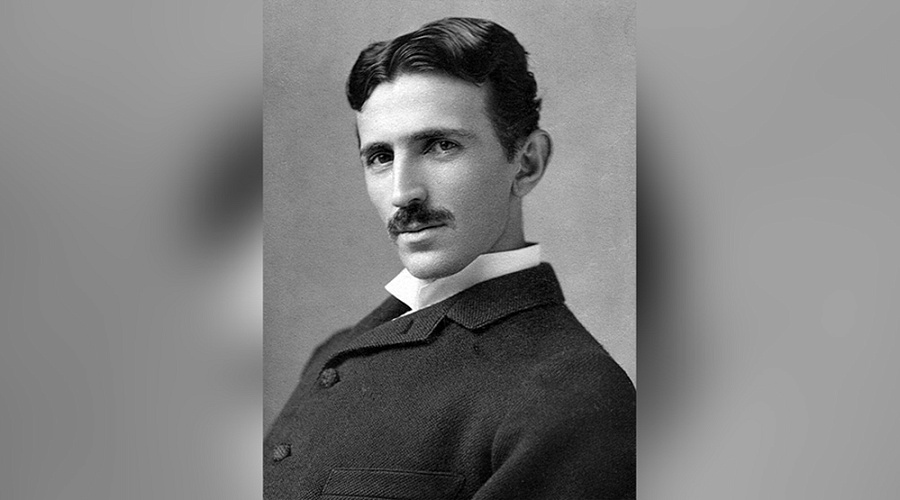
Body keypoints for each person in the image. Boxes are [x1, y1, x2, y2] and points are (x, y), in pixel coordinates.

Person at [264, 17, 635, 499]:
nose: (403, 193)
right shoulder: (336, 349)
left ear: (526, 164)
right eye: (380, 157)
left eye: (441, 146)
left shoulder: (575, 394)